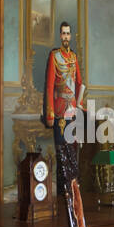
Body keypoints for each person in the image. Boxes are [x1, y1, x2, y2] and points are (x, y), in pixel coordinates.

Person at [42, 21, 83, 197]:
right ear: (60, 36)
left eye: (68, 33)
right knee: (61, 151)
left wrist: (81, 103)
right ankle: (62, 192)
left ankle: (73, 189)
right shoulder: (54, 56)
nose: (66, 36)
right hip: (59, 110)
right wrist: (49, 112)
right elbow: (50, 85)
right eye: (63, 33)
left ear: (70, 36)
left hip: (72, 109)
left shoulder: (73, 57)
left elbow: (79, 82)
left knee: (73, 151)